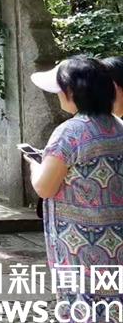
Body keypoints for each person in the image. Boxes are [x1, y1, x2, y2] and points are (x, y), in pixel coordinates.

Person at [28, 56, 123, 315]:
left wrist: (35, 166)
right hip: (115, 241)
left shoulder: (70, 132)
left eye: (60, 89)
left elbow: (45, 188)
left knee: (82, 305)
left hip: (80, 244)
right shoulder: (118, 126)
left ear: (71, 92)